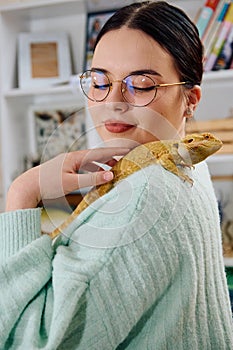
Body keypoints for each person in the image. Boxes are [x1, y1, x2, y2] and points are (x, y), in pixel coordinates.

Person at [0, 1, 232, 349]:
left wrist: (23, 191)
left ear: (190, 99)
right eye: (99, 81)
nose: (113, 101)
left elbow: (26, 340)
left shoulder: (144, 194)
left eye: (141, 84)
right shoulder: (186, 161)